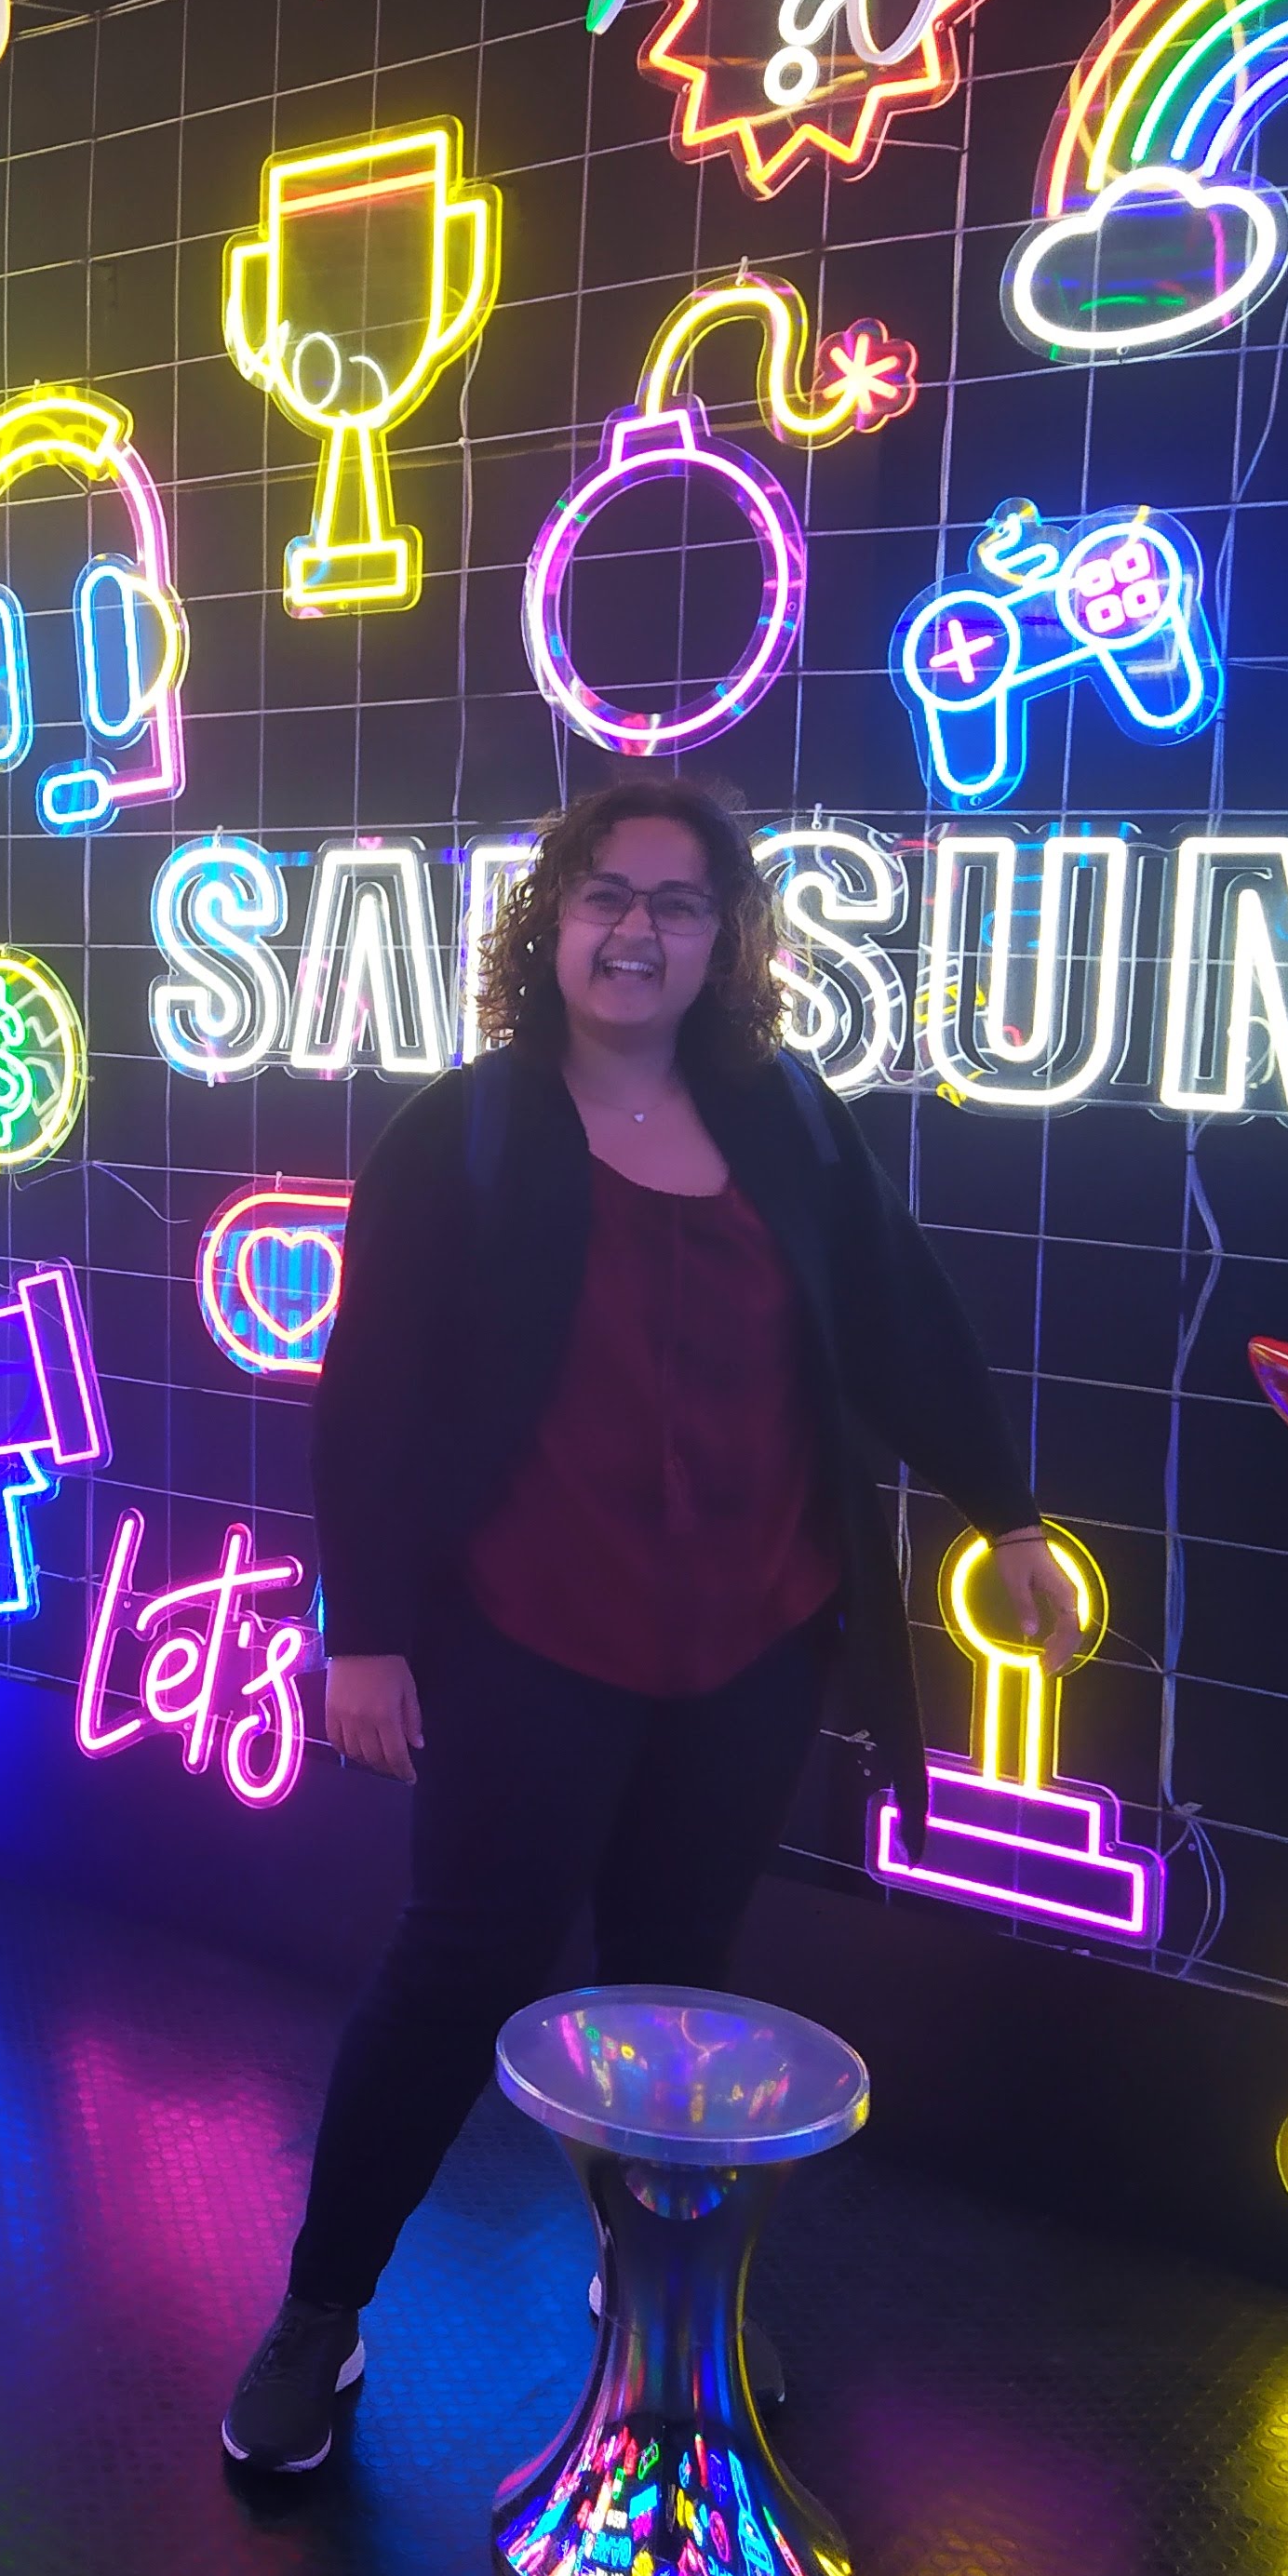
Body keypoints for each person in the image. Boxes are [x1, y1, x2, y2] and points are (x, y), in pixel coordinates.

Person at [221, 778, 1085, 2476]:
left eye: (678, 903)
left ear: (725, 939)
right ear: (552, 921)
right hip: (525, 1636)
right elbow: (371, 1397)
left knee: (675, 1992)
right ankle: (321, 2313)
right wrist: (364, 1632)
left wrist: (1011, 1513)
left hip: (750, 1647)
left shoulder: (792, 1123)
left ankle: (650, 2284)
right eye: (607, 895)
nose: (637, 930)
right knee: (456, 1970)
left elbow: (905, 1325)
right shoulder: (464, 1134)